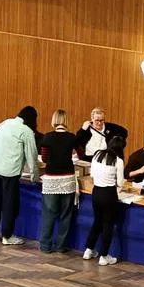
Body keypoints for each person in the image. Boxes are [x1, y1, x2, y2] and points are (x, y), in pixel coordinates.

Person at [0, 105, 39, 246]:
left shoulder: (5, 123)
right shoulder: (26, 131)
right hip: (9, 172)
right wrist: (35, 176)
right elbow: (32, 156)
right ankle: (7, 236)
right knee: (9, 204)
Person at [39, 109, 79, 254]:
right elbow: (80, 154)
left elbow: (44, 159)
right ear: (66, 121)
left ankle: (45, 245)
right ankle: (61, 246)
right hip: (68, 179)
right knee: (65, 215)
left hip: (51, 179)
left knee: (49, 214)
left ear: (54, 120)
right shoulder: (72, 137)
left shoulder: (47, 137)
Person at [83, 135, 125, 266]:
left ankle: (88, 250)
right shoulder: (118, 161)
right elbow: (120, 183)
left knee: (97, 221)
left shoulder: (97, 155)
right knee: (108, 225)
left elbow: (92, 175)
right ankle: (104, 256)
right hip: (109, 194)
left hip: (96, 192)